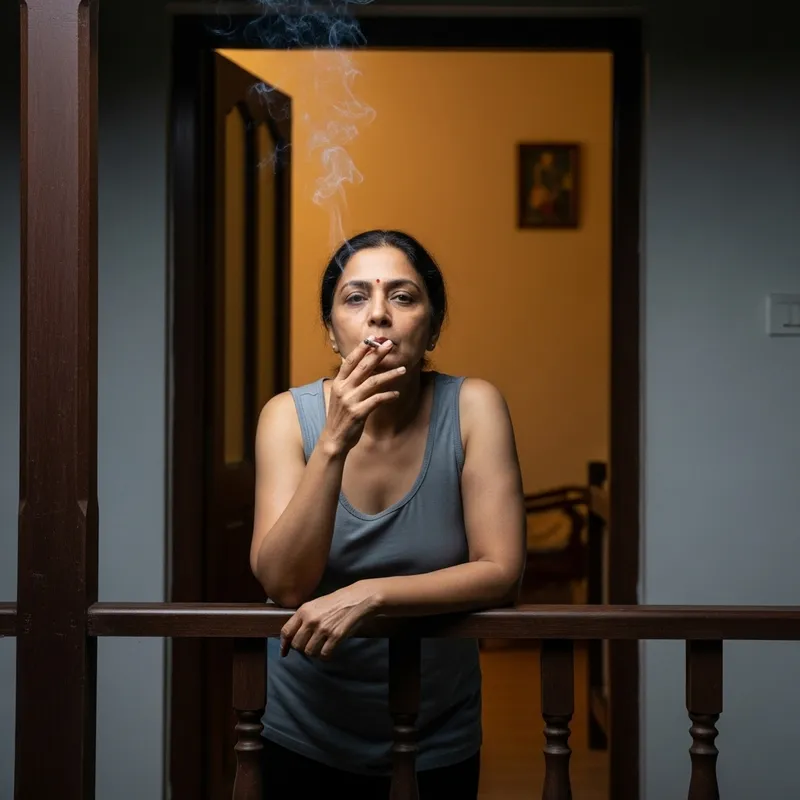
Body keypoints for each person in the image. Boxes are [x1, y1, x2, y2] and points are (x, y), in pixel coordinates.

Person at [249, 229, 526, 799]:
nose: (379, 315)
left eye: (402, 296)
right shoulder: (285, 417)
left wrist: (370, 592)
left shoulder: (474, 407)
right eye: (355, 298)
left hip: (436, 729)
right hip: (306, 726)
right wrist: (332, 443)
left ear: (433, 324)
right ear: (330, 330)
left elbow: (501, 569)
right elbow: (283, 583)